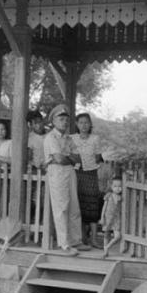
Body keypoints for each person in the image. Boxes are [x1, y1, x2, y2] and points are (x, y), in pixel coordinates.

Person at [42, 104, 89, 255]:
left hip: (70, 173)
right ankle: (64, 244)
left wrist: (68, 157)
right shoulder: (50, 138)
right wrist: (69, 157)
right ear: (54, 121)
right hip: (57, 172)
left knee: (74, 207)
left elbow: (79, 158)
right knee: (61, 208)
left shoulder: (69, 138)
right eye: (61, 119)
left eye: (66, 120)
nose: (64, 122)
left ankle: (76, 240)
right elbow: (59, 159)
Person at [72, 112, 105, 248]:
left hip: (92, 174)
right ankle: (82, 237)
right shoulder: (71, 138)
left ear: (90, 124)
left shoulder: (95, 139)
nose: (84, 125)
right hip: (77, 174)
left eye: (86, 122)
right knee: (79, 205)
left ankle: (94, 239)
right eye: (81, 122)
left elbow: (98, 157)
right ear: (76, 124)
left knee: (93, 206)